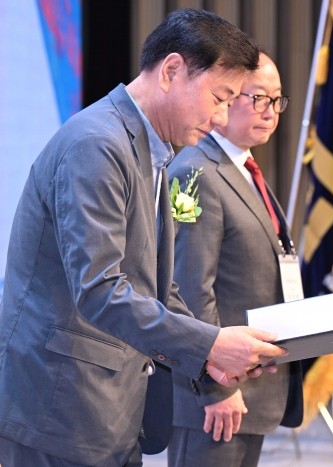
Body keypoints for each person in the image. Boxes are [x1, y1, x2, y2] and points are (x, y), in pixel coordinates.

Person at [0, 9, 287, 467]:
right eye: (219, 98)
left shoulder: (148, 148)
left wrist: (208, 356)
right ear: (172, 71)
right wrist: (209, 343)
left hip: (107, 407)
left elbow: (156, 285)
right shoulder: (96, 144)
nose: (218, 118)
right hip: (59, 407)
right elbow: (100, 289)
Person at [167, 52, 303, 466]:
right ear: (224, 99)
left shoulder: (243, 168)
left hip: (253, 389)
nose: (270, 111)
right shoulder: (195, 173)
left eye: (277, 100)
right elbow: (188, 289)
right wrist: (215, 387)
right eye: (258, 97)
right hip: (218, 393)